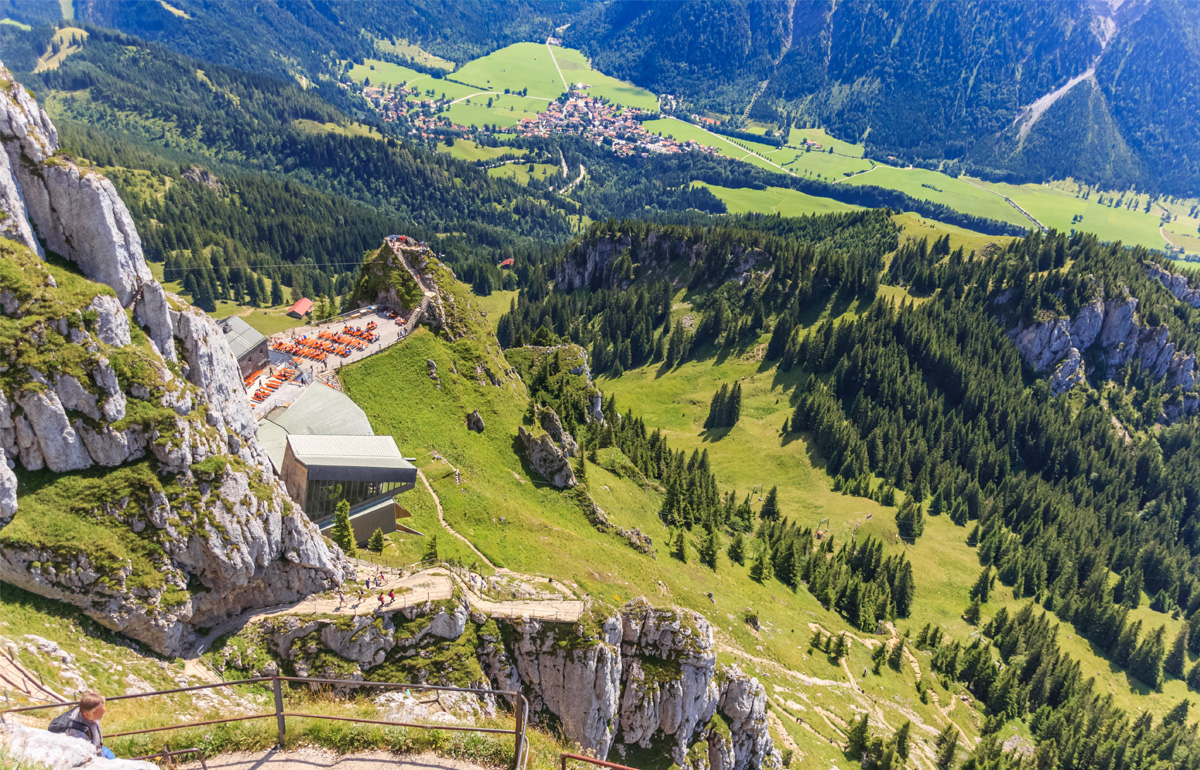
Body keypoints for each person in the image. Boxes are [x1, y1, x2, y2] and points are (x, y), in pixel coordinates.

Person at [57, 691, 114, 759]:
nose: (104, 710)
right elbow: (85, 756)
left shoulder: (91, 714)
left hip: (98, 747)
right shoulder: (78, 734)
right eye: (100, 710)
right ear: (86, 714)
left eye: (103, 707)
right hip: (90, 754)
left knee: (111, 756)